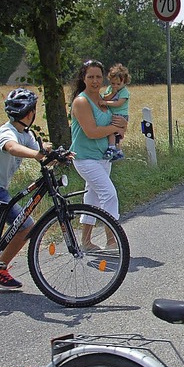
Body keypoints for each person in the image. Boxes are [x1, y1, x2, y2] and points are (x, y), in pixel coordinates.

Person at [0, 88, 50, 290]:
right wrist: (37, 155)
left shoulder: (25, 133)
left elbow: (38, 148)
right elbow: (12, 148)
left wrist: (53, 152)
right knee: (26, 226)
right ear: (30, 113)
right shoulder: (8, 131)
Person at [69, 59, 128, 249]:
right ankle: (112, 240)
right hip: (85, 158)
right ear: (83, 78)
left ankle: (85, 242)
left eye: (98, 77)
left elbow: (118, 124)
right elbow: (91, 132)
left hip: (103, 156)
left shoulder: (103, 99)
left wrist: (121, 127)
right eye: (90, 77)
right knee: (109, 194)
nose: (95, 81)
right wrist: (113, 127)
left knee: (92, 198)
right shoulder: (81, 101)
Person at [101, 63, 131, 161]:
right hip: (112, 114)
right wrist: (112, 93)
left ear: (125, 82)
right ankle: (118, 152)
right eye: (113, 83)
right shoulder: (110, 89)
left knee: (112, 131)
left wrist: (106, 103)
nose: (115, 86)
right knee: (114, 133)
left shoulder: (124, 92)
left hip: (120, 115)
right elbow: (105, 97)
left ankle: (112, 148)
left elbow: (118, 103)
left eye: (118, 84)